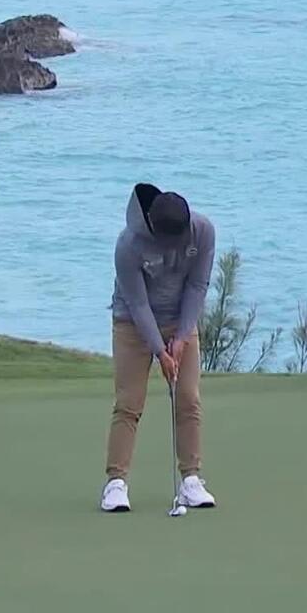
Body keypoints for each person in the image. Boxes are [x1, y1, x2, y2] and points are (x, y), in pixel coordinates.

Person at [101, 183, 218, 513]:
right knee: (129, 402)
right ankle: (115, 484)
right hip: (132, 324)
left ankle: (191, 480)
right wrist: (159, 351)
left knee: (188, 398)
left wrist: (180, 339)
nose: (178, 248)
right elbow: (137, 303)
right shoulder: (128, 244)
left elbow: (198, 285)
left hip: (181, 318)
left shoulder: (203, 231)